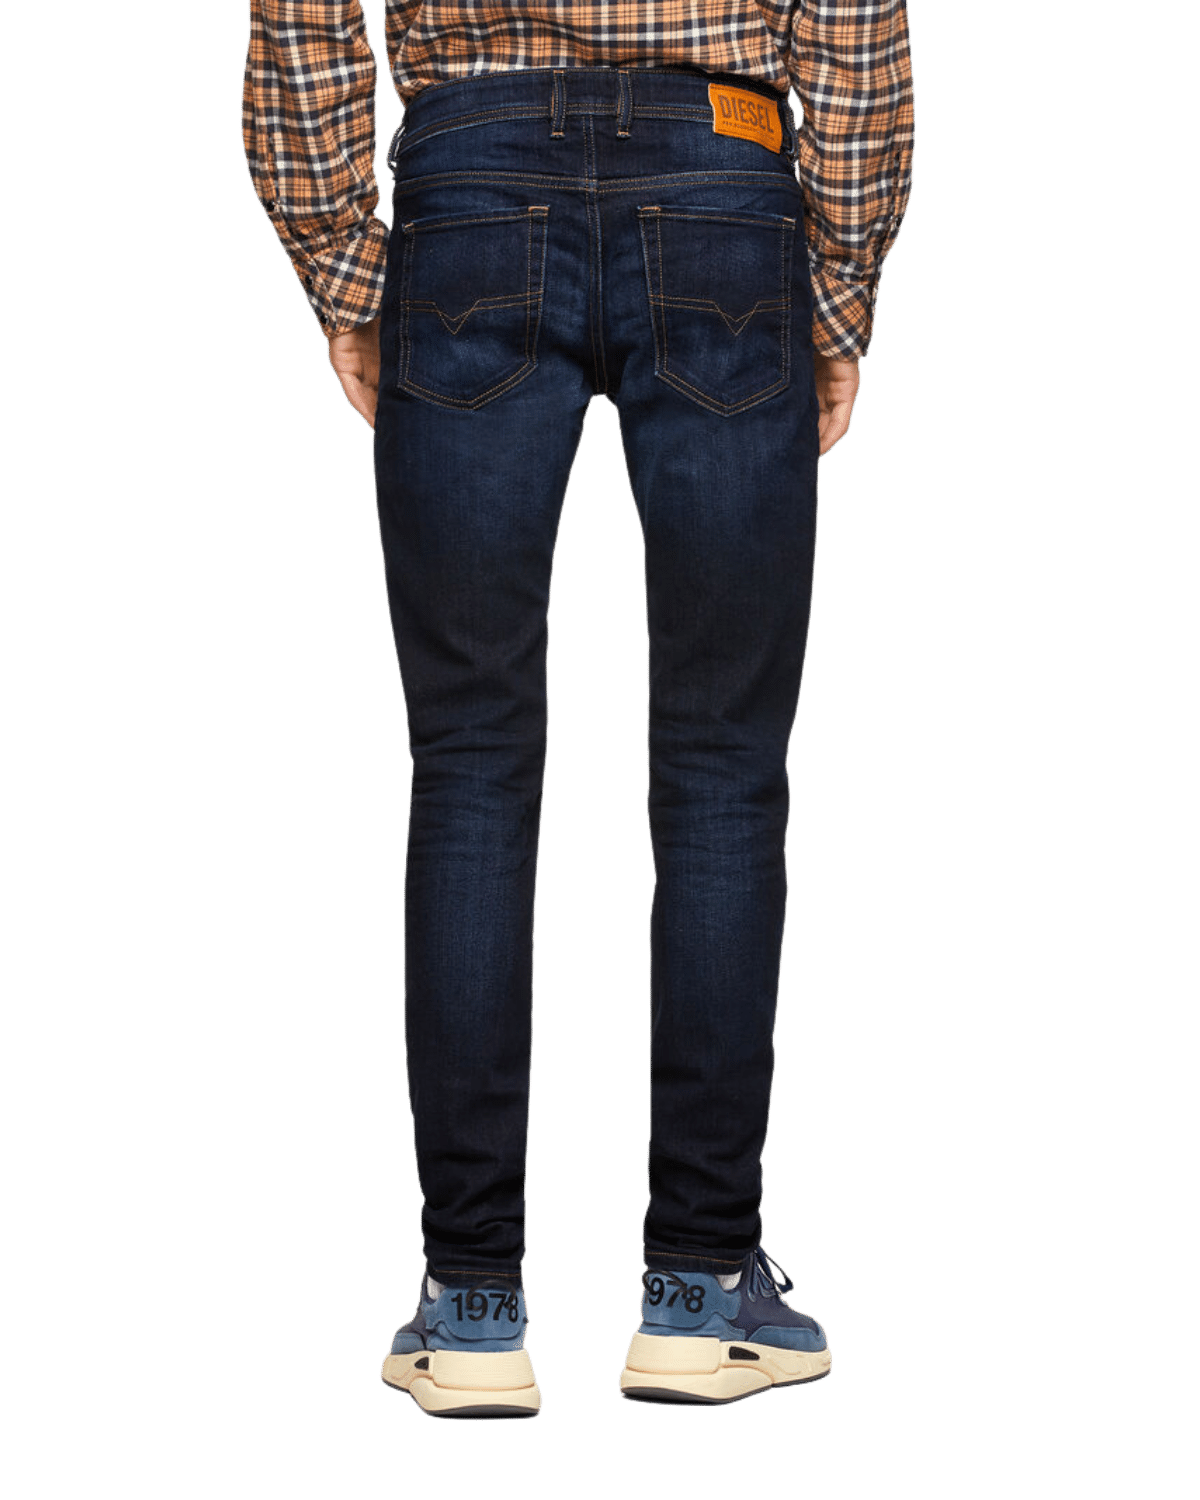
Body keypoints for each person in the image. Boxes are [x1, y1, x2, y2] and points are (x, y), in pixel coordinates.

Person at [241, 1, 915, 1418]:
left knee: (470, 764)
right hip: (726, 169)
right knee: (722, 769)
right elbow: (852, 23)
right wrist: (840, 284)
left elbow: (302, 17)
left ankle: (471, 1312)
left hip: (467, 179)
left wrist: (346, 269)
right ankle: (701, 1295)